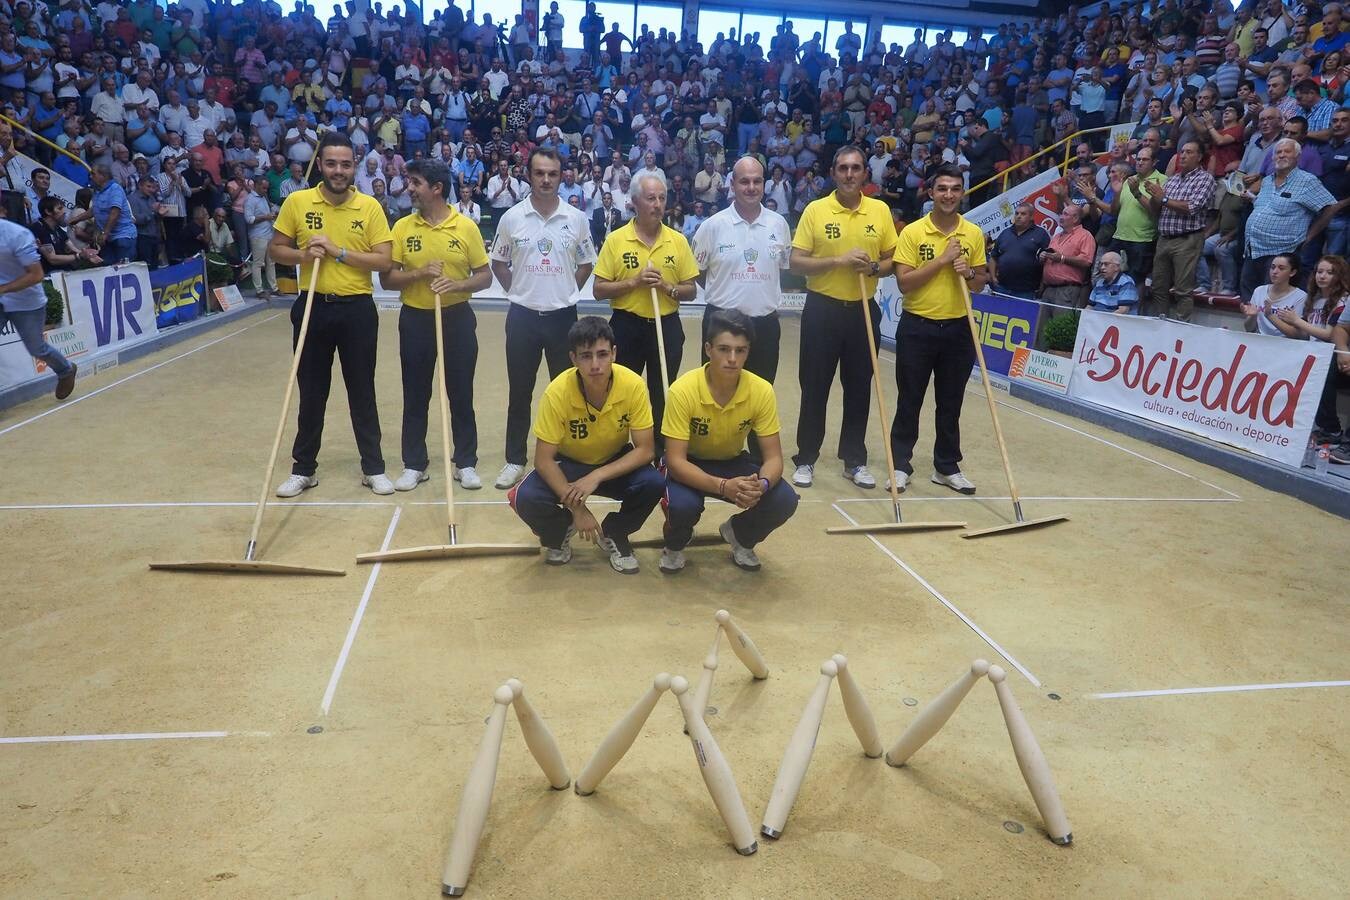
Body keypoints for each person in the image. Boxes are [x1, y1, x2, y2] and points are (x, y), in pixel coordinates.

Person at [268, 131, 394, 497]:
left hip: (357, 310)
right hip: (312, 306)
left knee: (362, 391)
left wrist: (338, 253)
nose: (339, 171)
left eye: (345, 164)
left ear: (354, 167)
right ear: (319, 165)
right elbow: (277, 250)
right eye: (332, 163)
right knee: (311, 392)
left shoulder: (369, 207)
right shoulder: (298, 202)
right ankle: (303, 469)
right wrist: (305, 255)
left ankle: (373, 468)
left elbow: (383, 259)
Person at [510, 315, 664, 574]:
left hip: (613, 462)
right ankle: (561, 530)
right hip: (568, 465)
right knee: (526, 497)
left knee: (654, 483)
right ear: (573, 358)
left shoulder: (634, 385)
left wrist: (597, 475)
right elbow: (543, 460)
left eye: (602, 354)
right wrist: (577, 508)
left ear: (614, 353)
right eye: (586, 356)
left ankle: (615, 532)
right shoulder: (557, 392)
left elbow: (645, 450)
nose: (595, 364)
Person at [787, 145, 898, 489]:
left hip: (862, 311)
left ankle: (854, 460)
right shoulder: (816, 211)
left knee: (859, 388)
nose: (850, 174)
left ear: (866, 173)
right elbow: (796, 262)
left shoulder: (879, 211)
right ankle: (806, 458)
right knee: (815, 386)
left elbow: (894, 257)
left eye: (856, 168)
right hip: (822, 309)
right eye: (843, 168)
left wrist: (876, 267)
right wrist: (837, 262)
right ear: (833, 173)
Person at [660, 309, 799, 574]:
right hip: (689, 463)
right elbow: (676, 461)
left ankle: (740, 535)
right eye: (724, 349)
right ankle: (675, 544)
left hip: (732, 461)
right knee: (682, 506)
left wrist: (762, 485)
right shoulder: (682, 390)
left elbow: (773, 458)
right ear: (708, 349)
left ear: (748, 352)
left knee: (784, 499)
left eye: (741, 350)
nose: (732, 359)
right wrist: (723, 487)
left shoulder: (761, 390)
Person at [489, 147, 596, 490]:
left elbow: (585, 264)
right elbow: (499, 263)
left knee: (566, 393)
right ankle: (514, 460)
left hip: (564, 319)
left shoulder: (576, 219)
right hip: (521, 317)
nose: (546, 179)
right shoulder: (512, 218)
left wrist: (565, 290)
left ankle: (565, 457)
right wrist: (517, 291)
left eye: (552, 173)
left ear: (562, 175)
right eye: (539, 173)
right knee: (520, 391)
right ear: (529, 175)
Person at [383, 158, 492, 494]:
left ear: (436, 188)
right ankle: (415, 464)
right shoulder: (402, 227)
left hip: (457, 318)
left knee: (461, 393)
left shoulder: (466, 227)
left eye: (415, 183)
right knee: (416, 394)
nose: (409, 189)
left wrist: (456, 285)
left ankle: (466, 463)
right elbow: (388, 279)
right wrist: (418, 274)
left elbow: (484, 277)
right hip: (415, 319)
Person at [889, 163, 988, 495]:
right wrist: (943, 260)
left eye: (955, 189)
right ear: (931, 193)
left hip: (959, 329)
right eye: (942, 189)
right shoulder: (913, 232)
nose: (949, 195)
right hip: (917, 327)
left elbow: (979, 283)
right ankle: (900, 464)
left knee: (951, 401)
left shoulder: (972, 234)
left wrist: (970, 273)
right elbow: (904, 283)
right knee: (910, 399)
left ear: (962, 192)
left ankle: (946, 467)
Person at [592, 172, 698, 447]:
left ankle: (661, 453)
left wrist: (666, 287)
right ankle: (616, 448)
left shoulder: (678, 241)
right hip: (627, 326)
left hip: (667, 325)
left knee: (663, 391)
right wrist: (634, 282)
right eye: (651, 198)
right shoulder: (616, 240)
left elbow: (691, 290)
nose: (658, 204)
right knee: (622, 391)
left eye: (662, 198)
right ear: (634, 202)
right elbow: (599, 289)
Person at [691, 156, 791, 385]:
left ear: (764, 185)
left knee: (760, 395)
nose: (751, 188)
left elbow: (781, 268)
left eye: (757, 181)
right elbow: (698, 271)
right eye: (744, 182)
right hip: (720, 323)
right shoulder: (712, 226)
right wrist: (726, 292)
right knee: (715, 393)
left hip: (765, 326)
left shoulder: (779, 225)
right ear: (733, 184)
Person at [1241, 138, 1339, 301]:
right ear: (1272, 158)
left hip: (1281, 252)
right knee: (1249, 300)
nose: (1281, 155)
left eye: (1287, 151)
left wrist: (1310, 236)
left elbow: (1330, 207)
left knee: (1272, 302)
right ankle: (1250, 327)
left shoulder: (1307, 181)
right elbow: (1263, 206)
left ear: (1298, 157)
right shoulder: (1266, 181)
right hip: (1253, 249)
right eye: (1278, 152)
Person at [0, 213, 76, 399]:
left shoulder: (17, 235)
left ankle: (66, 370)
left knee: (36, 349)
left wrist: (4, 288)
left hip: (27, 301)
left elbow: (36, 275)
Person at [1144, 140, 1215, 320]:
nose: (1183, 155)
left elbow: (1192, 208)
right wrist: (1153, 196)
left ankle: (1180, 328)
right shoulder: (1172, 179)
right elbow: (1155, 210)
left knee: (1183, 289)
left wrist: (1164, 198)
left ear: (1199, 157)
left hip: (1187, 239)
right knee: (1158, 286)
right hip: (1164, 238)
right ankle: (1161, 321)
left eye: (1189, 152)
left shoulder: (1205, 179)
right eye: (1182, 151)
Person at [1039, 204, 1096, 309]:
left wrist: (1062, 258)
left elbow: (1086, 261)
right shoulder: (1056, 236)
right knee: (1042, 325)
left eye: (1065, 214)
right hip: (1048, 289)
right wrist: (1044, 256)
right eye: (1061, 214)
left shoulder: (1085, 236)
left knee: (1060, 324)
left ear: (1075, 218)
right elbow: (1051, 256)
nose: (1061, 217)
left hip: (1067, 290)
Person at [988, 203, 1049, 299]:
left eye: (1023, 214)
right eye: (1017, 213)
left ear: (1031, 217)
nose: (1018, 216)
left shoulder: (1041, 234)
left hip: (1027, 291)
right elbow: (993, 257)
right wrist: (993, 277)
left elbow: (1047, 263)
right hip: (1002, 288)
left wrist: (1042, 285)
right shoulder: (1005, 233)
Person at [89, 164, 137, 264]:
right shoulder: (98, 192)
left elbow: (115, 212)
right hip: (108, 238)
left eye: (93, 174)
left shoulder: (115, 189)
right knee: (108, 269)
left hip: (122, 236)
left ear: (103, 176)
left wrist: (105, 233)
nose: (90, 176)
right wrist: (76, 219)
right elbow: (95, 210)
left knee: (124, 270)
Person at [243, 177, 278, 300]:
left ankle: (274, 288)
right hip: (258, 236)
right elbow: (249, 219)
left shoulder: (263, 197)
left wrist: (272, 215)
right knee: (258, 263)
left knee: (271, 262)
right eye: (263, 188)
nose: (265, 190)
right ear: (256, 185)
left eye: (267, 188)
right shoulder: (250, 200)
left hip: (269, 234)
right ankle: (259, 290)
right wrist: (266, 217)